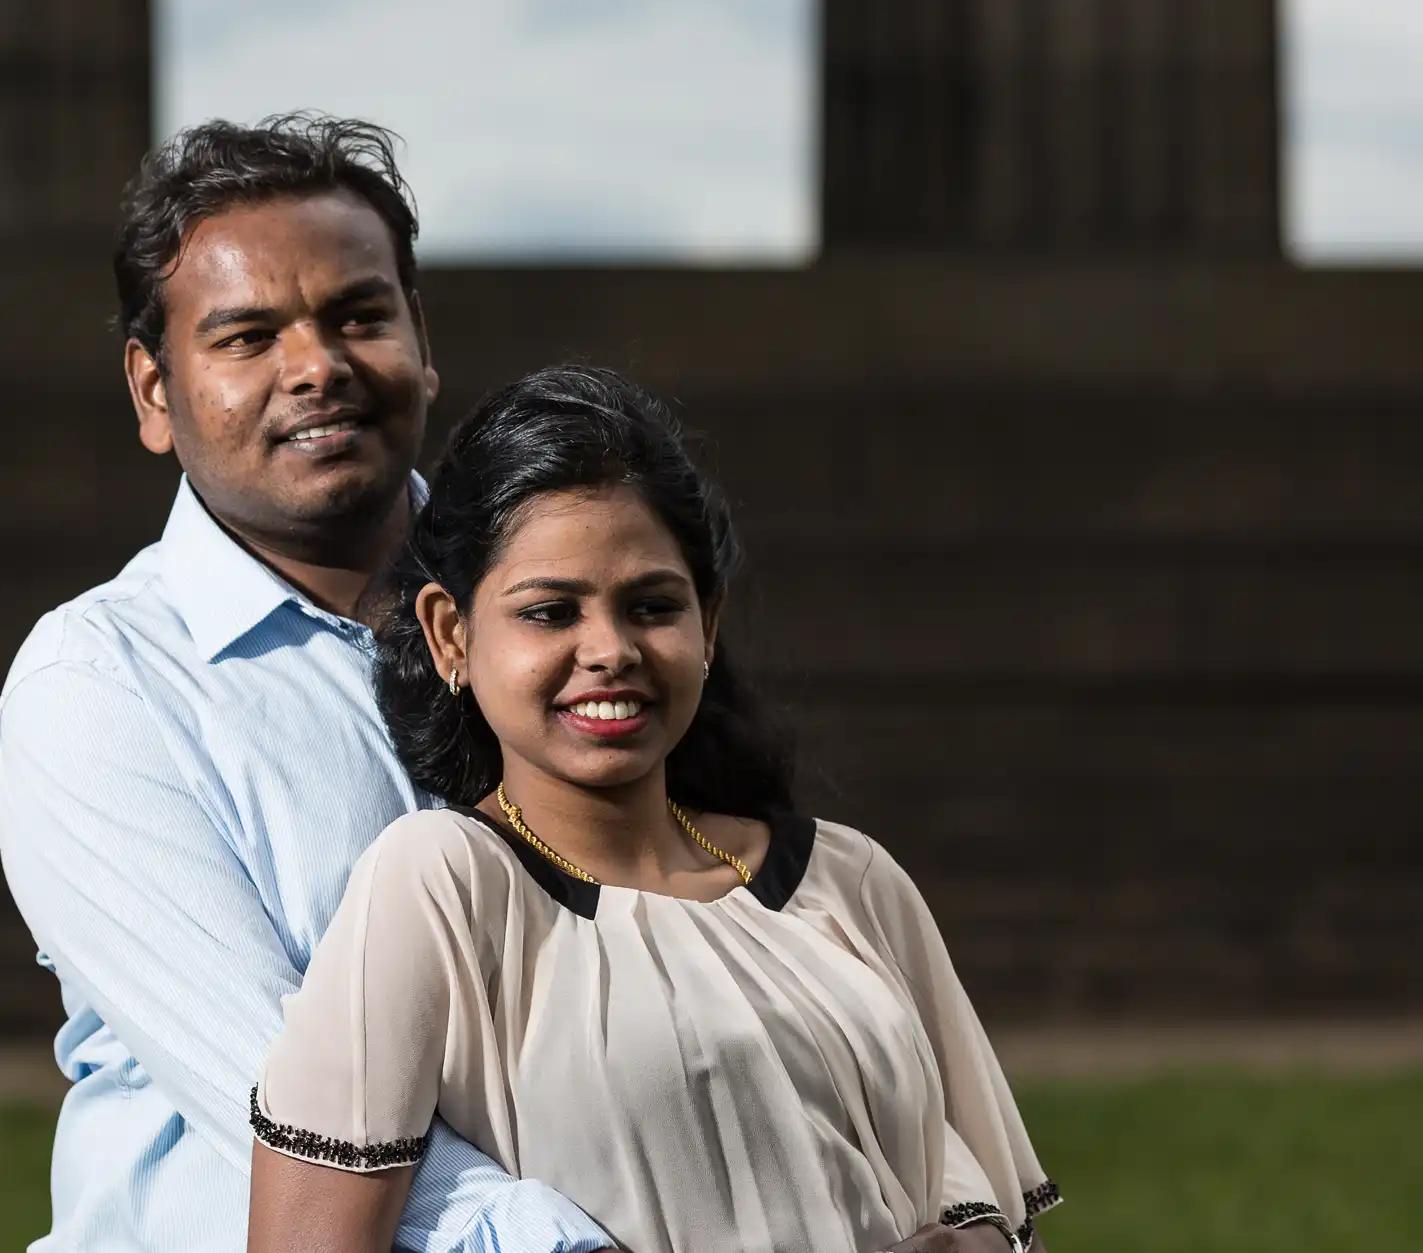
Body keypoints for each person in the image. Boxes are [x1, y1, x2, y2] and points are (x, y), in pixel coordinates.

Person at [245, 367, 1063, 1253]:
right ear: (452, 632)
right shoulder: (442, 882)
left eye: (651, 606)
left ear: (706, 624)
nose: (609, 650)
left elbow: (984, 1200)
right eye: (551, 611)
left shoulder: (849, 876)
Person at [0, 116, 618, 1252]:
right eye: (244, 335)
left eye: (357, 316)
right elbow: (295, 1108)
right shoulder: (100, 687)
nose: (316, 366)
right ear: (152, 389)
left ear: (420, 338)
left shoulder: (584, 612)